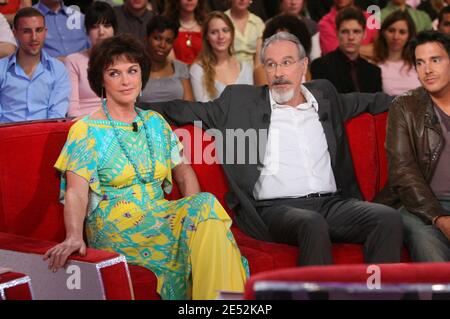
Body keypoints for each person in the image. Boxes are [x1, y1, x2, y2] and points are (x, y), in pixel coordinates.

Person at [143, 31, 403, 266]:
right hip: (276, 210)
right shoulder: (241, 102)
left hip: (332, 204)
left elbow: (369, 101)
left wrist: (420, 99)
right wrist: (128, 106)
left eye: (287, 62)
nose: (278, 72)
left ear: (303, 66)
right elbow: (182, 109)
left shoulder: (324, 95)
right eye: (271, 64)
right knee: (312, 225)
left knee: (387, 219)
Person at [43, 33, 248, 300]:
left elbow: (184, 172)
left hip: (159, 213)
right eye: (114, 73)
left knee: (204, 207)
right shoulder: (86, 129)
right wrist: (73, 236)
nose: (126, 80)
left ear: (142, 76)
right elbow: (77, 191)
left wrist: (195, 220)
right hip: (115, 225)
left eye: (132, 71)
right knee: (208, 220)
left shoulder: (155, 122)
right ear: (101, 81)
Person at [375, 31, 450, 262]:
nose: (427, 70)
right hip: (418, 207)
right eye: (420, 63)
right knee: (428, 246)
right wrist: (439, 217)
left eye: (435, 60)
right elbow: (402, 171)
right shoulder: (405, 107)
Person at [0, 7, 70, 123]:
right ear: (15, 33)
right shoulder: (1, 68)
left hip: (45, 136)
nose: (34, 37)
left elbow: (57, 116)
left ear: (45, 32)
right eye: (26, 31)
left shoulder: (58, 69)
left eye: (38, 30)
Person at [311, 7, 382, 94]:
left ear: (364, 34)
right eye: (345, 32)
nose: (351, 37)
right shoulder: (321, 66)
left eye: (356, 31)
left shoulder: (374, 72)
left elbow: (378, 105)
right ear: (337, 33)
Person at [64, 1, 117, 118]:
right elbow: (72, 110)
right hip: (84, 125)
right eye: (95, 27)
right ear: (87, 31)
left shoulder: (123, 61)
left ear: (114, 30)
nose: (101, 32)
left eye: (107, 25)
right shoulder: (73, 61)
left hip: (117, 124)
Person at [190, 11, 253, 102]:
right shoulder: (198, 70)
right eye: (214, 32)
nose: (221, 36)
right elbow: (204, 110)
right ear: (207, 37)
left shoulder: (245, 67)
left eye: (225, 30)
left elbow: (251, 104)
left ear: (232, 34)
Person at [140, 15, 194, 103]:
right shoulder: (135, 69)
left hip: (179, 116)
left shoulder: (180, 67)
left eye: (168, 41)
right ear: (146, 39)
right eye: (157, 38)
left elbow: (190, 106)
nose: (162, 45)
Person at [254, 13, 312, 85]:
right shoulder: (262, 70)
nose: (282, 42)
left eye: (287, 38)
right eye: (277, 37)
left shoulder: (304, 68)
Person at [374, 10, 421, 95]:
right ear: (383, 33)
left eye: (402, 32)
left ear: (409, 36)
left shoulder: (419, 64)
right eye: (391, 31)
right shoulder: (374, 66)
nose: (396, 37)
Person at [164, 0, 208, 65]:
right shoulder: (166, 26)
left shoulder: (207, 24)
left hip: (204, 72)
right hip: (176, 72)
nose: (190, 0)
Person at [224, 0, 265, 67]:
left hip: (253, 72)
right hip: (228, 69)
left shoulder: (258, 22)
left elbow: (259, 60)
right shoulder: (222, 20)